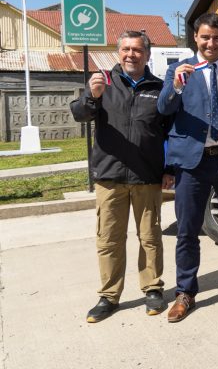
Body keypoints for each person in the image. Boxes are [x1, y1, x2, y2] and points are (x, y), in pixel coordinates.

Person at [158, 12, 218, 322]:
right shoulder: (178, 71)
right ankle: (185, 292)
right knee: (187, 230)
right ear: (195, 38)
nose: (211, 43)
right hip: (192, 163)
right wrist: (175, 87)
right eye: (205, 37)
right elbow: (163, 109)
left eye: (217, 38)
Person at [70, 30, 174, 323]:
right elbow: (79, 114)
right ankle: (109, 296)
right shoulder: (103, 82)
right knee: (109, 240)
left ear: (147, 55)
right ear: (119, 52)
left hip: (147, 176)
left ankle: (152, 288)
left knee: (150, 237)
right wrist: (91, 97)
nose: (131, 55)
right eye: (126, 49)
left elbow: (170, 132)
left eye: (137, 50)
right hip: (110, 176)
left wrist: (170, 168)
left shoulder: (159, 88)